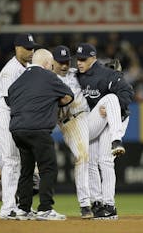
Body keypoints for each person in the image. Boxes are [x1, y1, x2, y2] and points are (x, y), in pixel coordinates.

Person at [8, 49, 74, 221]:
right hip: (38, 130)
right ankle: (45, 208)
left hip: (17, 130)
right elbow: (69, 96)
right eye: (51, 64)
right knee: (48, 168)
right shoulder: (49, 77)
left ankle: (23, 209)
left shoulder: (19, 80)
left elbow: (10, 98)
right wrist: (53, 101)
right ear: (47, 64)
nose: (52, 67)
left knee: (27, 170)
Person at [75, 43, 134, 219]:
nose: (79, 62)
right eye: (77, 59)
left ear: (93, 58)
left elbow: (127, 94)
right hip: (91, 123)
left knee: (105, 161)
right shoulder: (75, 77)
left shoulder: (107, 74)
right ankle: (97, 201)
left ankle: (107, 205)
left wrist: (113, 106)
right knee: (92, 162)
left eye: (83, 59)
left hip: (111, 122)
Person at [0, 33, 39, 219]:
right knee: (11, 160)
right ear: (17, 48)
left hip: (18, 117)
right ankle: (8, 208)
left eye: (32, 48)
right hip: (6, 114)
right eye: (27, 48)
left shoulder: (27, 67)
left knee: (21, 162)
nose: (31, 51)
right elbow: (12, 100)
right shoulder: (10, 71)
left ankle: (20, 207)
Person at [51, 45, 93, 219]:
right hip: (69, 121)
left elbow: (96, 69)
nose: (64, 65)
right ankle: (85, 204)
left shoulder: (76, 72)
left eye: (67, 61)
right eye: (60, 62)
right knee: (82, 156)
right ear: (52, 62)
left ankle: (100, 202)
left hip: (88, 115)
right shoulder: (47, 78)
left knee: (98, 158)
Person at [0, 139, 40, 219]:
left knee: (36, 179)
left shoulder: (22, 145)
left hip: (12, 189)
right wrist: (7, 174)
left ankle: (23, 207)